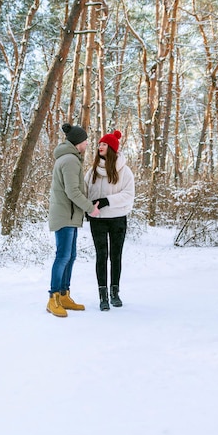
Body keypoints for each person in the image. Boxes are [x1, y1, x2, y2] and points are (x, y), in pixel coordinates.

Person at [47, 123, 100, 318]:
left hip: (70, 215)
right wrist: (90, 208)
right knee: (63, 257)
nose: (87, 144)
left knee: (70, 256)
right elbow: (72, 191)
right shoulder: (70, 160)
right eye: (85, 141)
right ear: (78, 143)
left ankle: (64, 295)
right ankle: (53, 298)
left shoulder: (71, 158)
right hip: (65, 215)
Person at [84, 129, 135, 311]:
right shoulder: (92, 171)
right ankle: (103, 295)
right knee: (101, 256)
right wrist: (86, 208)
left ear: (112, 148)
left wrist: (107, 201)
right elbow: (85, 191)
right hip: (98, 220)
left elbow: (129, 195)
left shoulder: (124, 171)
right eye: (99, 144)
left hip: (118, 220)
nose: (100, 147)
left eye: (104, 144)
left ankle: (115, 293)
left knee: (115, 256)